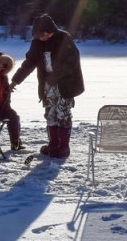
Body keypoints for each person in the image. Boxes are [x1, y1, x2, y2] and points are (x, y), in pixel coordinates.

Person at [11, 14, 84, 159]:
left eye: (43, 34)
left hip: (65, 84)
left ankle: (63, 148)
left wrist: (55, 77)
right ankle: (53, 145)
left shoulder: (63, 38)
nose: (41, 37)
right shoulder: (36, 43)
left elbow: (71, 61)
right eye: (38, 35)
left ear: (50, 30)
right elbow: (29, 63)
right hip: (47, 86)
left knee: (63, 114)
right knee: (50, 114)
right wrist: (15, 80)